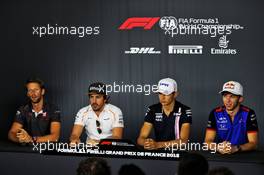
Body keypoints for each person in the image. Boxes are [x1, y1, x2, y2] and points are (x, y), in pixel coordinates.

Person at [137, 78, 192, 150]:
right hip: (158, 153)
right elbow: (140, 138)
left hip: (178, 153)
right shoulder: (152, 109)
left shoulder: (185, 110)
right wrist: (147, 143)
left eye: (166, 93)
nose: (162, 97)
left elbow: (183, 141)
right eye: (160, 93)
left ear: (175, 94)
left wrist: (158, 145)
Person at [204, 81, 258, 154]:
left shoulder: (248, 113)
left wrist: (236, 148)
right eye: (225, 95)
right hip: (221, 155)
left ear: (240, 99)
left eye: (232, 96)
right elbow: (207, 142)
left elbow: (254, 144)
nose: (227, 100)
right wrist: (218, 147)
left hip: (243, 156)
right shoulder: (215, 113)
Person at [8, 78, 61, 143]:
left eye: (36, 90)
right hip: (27, 150)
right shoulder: (23, 109)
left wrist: (31, 139)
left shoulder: (53, 109)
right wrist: (20, 139)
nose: (33, 93)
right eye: (30, 90)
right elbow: (11, 133)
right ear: (27, 93)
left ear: (42, 91)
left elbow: (55, 137)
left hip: (47, 150)